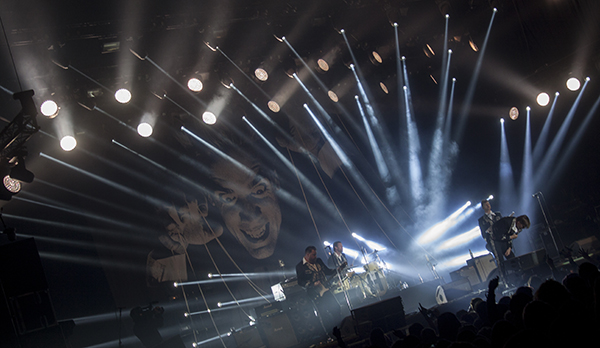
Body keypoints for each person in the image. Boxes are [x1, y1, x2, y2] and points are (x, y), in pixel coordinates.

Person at [296, 246, 342, 331]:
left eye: (315, 254)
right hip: (315, 294)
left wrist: (336, 270)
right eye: (313, 255)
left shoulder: (319, 261)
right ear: (307, 254)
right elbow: (300, 282)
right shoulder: (300, 266)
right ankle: (330, 333)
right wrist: (312, 284)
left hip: (326, 289)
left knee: (336, 308)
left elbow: (327, 271)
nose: (315, 256)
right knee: (323, 313)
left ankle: (340, 329)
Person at [490, 215, 530, 284]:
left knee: (513, 260)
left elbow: (510, 239)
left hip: (505, 241)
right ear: (519, 222)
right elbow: (499, 236)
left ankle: (518, 278)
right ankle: (505, 281)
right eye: (522, 226)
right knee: (500, 261)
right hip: (495, 240)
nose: (522, 228)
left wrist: (509, 248)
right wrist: (511, 237)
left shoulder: (517, 228)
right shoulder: (507, 222)